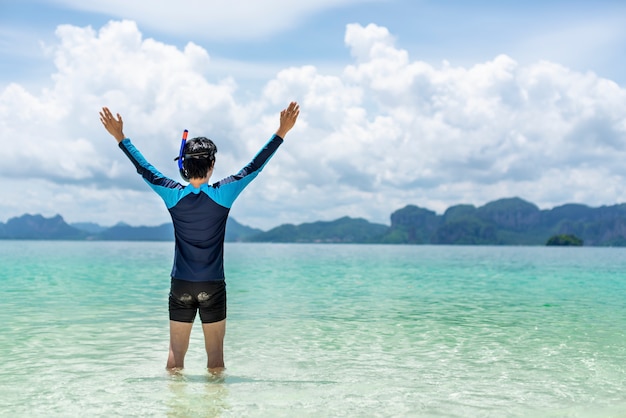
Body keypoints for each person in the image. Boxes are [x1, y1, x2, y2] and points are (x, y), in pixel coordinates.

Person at [99, 102, 300, 373]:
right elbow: (255, 166)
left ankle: (175, 410)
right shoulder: (223, 194)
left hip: (180, 284)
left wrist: (120, 138)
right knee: (215, 358)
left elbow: (143, 167)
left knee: (175, 357)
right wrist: (281, 132)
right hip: (212, 285)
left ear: (183, 165)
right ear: (212, 164)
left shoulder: (172, 194)